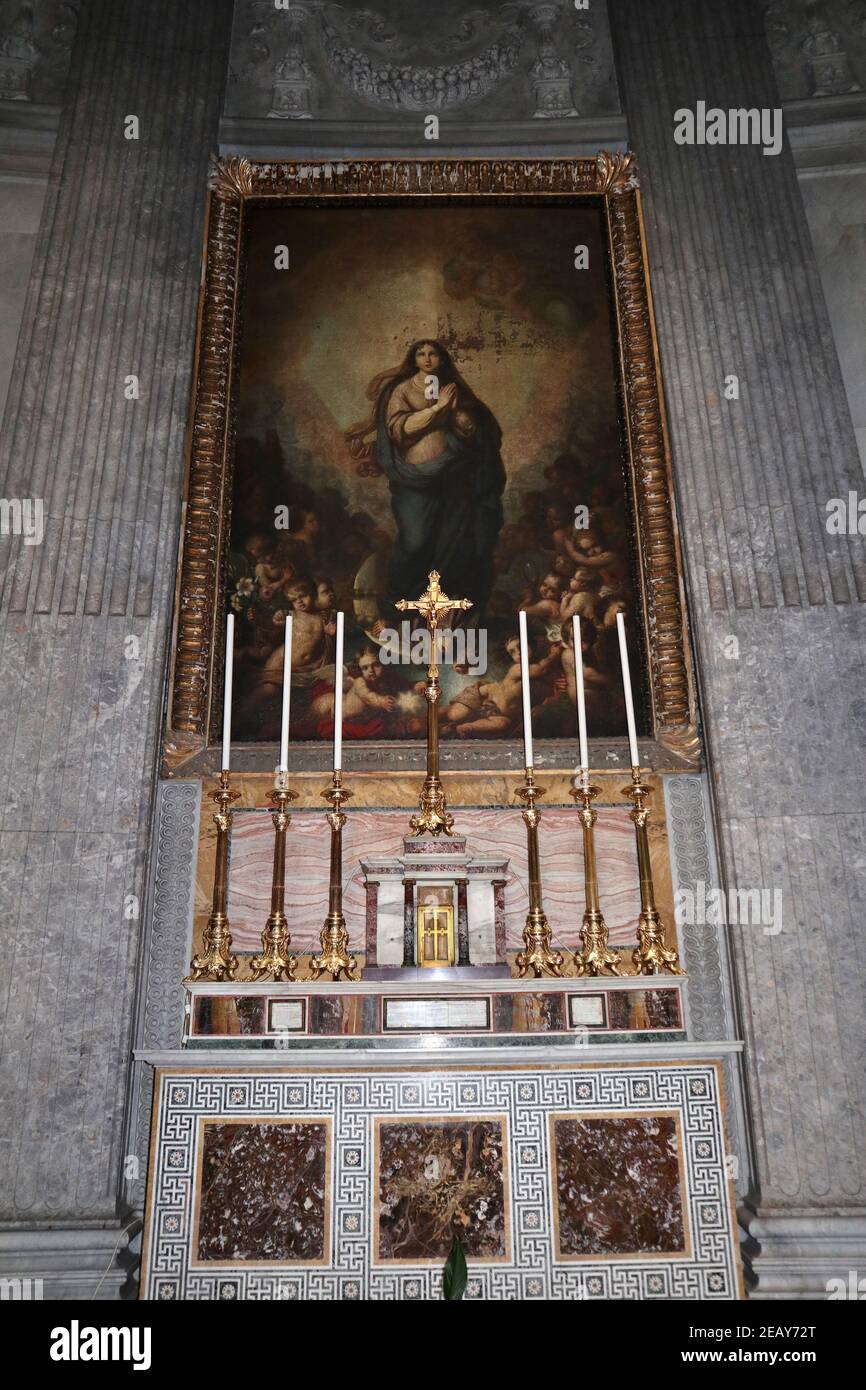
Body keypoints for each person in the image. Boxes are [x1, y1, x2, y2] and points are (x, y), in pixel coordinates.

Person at [345, 339, 505, 613]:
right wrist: (437, 408)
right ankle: (398, 599)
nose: (428, 358)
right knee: (416, 540)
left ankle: (445, 604)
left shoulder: (453, 389)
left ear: (442, 359)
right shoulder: (402, 390)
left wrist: (461, 419)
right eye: (422, 353)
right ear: (414, 359)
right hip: (413, 482)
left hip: (454, 477)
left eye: (434, 354)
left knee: (453, 538)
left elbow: (477, 431)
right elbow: (399, 429)